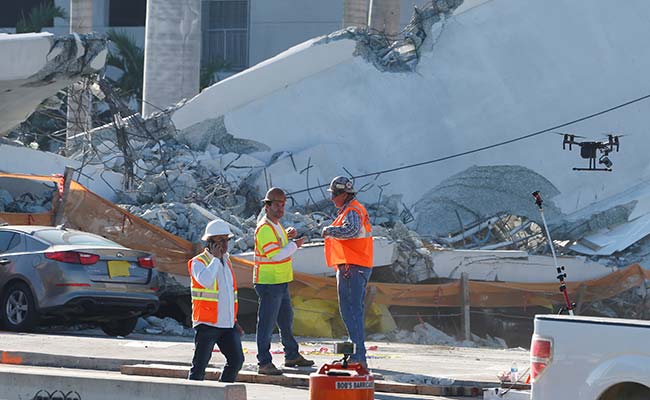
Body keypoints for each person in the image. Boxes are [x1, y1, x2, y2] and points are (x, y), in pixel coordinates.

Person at [254, 187, 314, 375]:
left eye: (282, 205)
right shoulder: (264, 228)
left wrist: (287, 236)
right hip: (269, 282)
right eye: (277, 205)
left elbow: (278, 244)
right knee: (266, 322)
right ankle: (264, 362)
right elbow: (275, 255)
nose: (280, 209)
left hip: (280, 281)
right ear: (267, 206)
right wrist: (294, 245)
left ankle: (291, 354)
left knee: (285, 320)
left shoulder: (276, 225)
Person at [321, 176, 374, 367]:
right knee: (352, 310)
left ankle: (358, 355)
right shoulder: (352, 209)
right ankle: (357, 352)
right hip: (355, 266)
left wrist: (329, 230)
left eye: (334, 194)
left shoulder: (352, 211)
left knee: (351, 310)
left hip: (353, 267)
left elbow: (351, 230)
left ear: (344, 194)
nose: (332, 198)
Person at [188, 219, 244, 382]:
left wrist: (234, 321)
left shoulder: (226, 261)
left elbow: (228, 294)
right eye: (220, 240)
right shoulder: (198, 262)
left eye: (226, 240)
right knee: (199, 366)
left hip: (227, 325)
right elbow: (205, 281)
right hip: (207, 324)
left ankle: (221, 392)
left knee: (236, 361)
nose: (225, 244)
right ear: (210, 243)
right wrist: (215, 259)